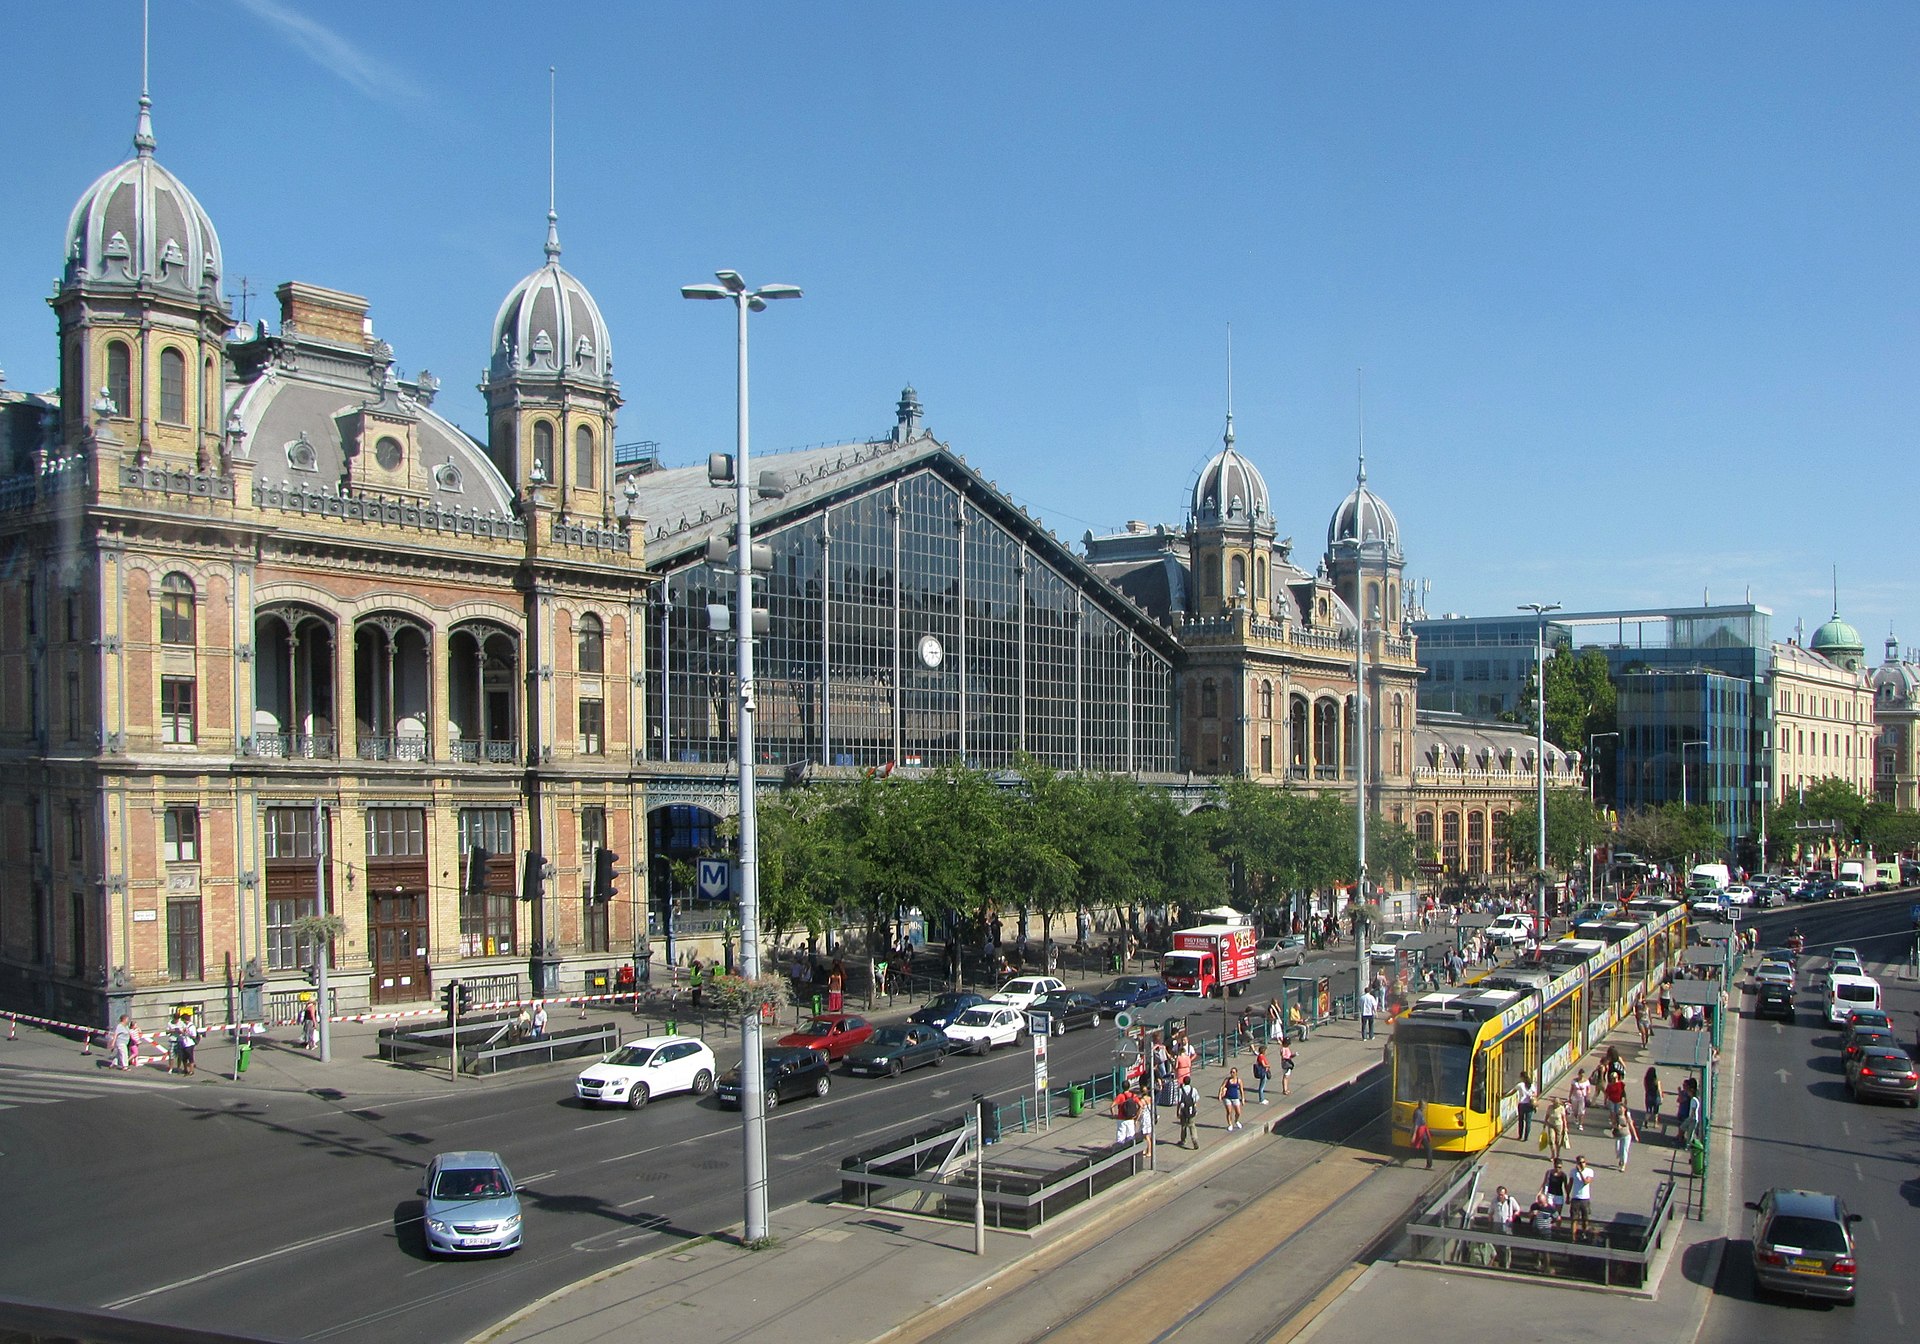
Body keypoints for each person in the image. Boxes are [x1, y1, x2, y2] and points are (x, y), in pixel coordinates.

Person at [1567, 1155, 1595, 1238]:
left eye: (1583, 1162)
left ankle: (1584, 1233)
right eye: (1580, 1162)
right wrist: (1568, 1195)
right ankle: (1573, 1236)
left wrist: (1580, 1172)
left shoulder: (1589, 1171)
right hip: (1575, 1198)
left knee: (1585, 1218)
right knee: (1574, 1219)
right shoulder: (1572, 1172)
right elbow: (1570, 1184)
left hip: (1585, 1199)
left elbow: (1586, 1182)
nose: (1582, 1164)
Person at [1540, 1095, 1569, 1161]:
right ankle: (1553, 1155)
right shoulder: (1550, 1108)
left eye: (1558, 1104)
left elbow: (1564, 1119)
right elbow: (1547, 1115)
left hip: (1559, 1125)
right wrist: (1545, 1123)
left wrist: (1565, 1127)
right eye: (1555, 1103)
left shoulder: (1561, 1108)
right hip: (1551, 1125)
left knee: (1558, 1141)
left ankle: (1557, 1155)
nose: (1556, 1105)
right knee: (1551, 1140)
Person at [1611, 1103, 1639, 1171]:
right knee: (1618, 1149)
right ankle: (1621, 1159)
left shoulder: (1627, 1117)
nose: (1619, 1109)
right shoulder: (1616, 1116)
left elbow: (1631, 1126)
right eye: (1619, 1108)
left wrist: (1635, 1136)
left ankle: (1623, 1165)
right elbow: (1613, 1124)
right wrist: (1616, 1126)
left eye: (1621, 1108)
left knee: (1624, 1150)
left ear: (1624, 1109)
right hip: (1618, 1135)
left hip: (1626, 1135)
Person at [1175, 1078, 1201, 1148]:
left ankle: (1183, 1140)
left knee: (1183, 1126)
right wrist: (1195, 1109)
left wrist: (1178, 1111)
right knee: (1192, 1126)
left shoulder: (1181, 1090)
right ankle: (1194, 1139)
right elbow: (1196, 1100)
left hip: (1183, 1111)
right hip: (1191, 1110)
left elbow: (1178, 1102)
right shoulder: (1193, 1090)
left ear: (1183, 1082)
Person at [1218, 1067, 1245, 1131]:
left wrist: (1243, 1098)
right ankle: (1230, 1124)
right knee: (1229, 1112)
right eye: (1231, 1072)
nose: (1232, 1073)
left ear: (1236, 1073)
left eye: (1233, 1072)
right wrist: (1219, 1095)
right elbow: (1222, 1087)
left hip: (1235, 1098)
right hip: (1227, 1098)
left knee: (1238, 1112)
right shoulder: (1227, 1080)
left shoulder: (1239, 1080)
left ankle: (1236, 1121)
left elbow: (1241, 1090)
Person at [1410, 1100, 1434, 1169]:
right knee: (1428, 1149)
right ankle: (1429, 1165)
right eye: (1425, 1105)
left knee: (1427, 1148)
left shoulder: (1419, 1111)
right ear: (1422, 1106)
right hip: (1421, 1133)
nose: (1425, 1107)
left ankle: (1429, 1164)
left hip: (1423, 1132)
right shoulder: (1418, 1113)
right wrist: (1414, 1135)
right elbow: (1416, 1125)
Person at [1514, 1072, 1536, 1141]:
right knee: (1528, 1121)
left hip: (1522, 1105)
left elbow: (1512, 1092)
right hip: (1529, 1105)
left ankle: (1520, 1136)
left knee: (1521, 1121)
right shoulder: (1531, 1085)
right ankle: (1526, 1138)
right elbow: (1535, 1094)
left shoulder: (1520, 1085)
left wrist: (1503, 1096)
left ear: (1522, 1077)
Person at [1569, 1068, 1592, 1133]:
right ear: (1578, 1075)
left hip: (1582, 1097)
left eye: (1583, 1075)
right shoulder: (1574, 1081)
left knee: (1581, 1111)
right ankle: (1576, 1118)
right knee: (1575, 1110)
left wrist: (1588, 1097)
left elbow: (1588, 1090)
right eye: (1580, 1075)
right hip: (1575, 1097)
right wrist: (1569, 1097)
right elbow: (1571, 1089)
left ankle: (1580, 1124)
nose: (1581, 1077)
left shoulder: (1586, 1081)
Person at [1643, 1066, 1663, 1134]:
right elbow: (1659, 1090)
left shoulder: (1646, 1079)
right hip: (1656, 1096)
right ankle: (1655, 1123)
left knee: (1648, 1110)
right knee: (1656, 1111)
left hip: (1648, 1096)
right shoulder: (1657, 1080)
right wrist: (1661, 1097)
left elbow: (1645, 1087)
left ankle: (1646, 1120)